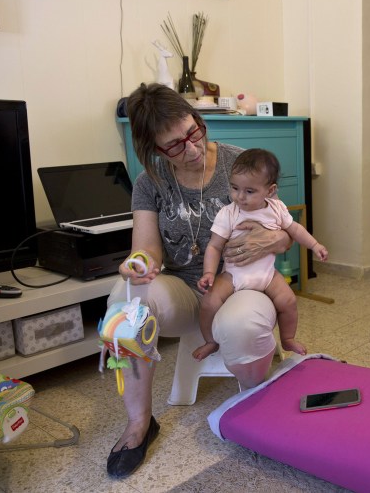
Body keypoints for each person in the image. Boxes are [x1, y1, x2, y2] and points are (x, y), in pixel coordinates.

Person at [104, 83, 292, 479]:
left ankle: (255, 408)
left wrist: (275, 238)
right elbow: (146, 250)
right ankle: (140, 422)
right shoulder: (149, 182)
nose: (190, 148)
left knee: (242, 324)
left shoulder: (239, 164)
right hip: (185, 291)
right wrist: (139, 264)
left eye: (194, 132)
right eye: (174, 145)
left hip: (239, 282)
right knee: (126, 300)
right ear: (154, 149)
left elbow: (286, 229)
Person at [192, 149, 328, 362]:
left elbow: (295, 230)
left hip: (267, 275)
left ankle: (287, 338)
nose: (239, 196)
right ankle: (210, 340)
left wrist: (315, 245)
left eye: (249, 191)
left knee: (289, 301)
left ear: (270, 190)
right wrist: (209, 272)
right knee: (209, 303)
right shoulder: (228, 213)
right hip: (234, 275)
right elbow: (214, 246)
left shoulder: (277, 209)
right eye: (234, 188)